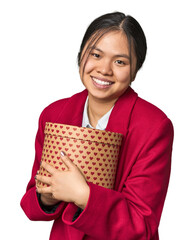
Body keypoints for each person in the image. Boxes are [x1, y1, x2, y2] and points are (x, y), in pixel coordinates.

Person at [20, 12, 174, 240]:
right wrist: (47, 197)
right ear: (81, 55)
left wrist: (83, 195)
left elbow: (143, 226)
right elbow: (31, 204)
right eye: (96, 54)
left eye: (120, 61)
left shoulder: (154, 126)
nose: (104, 69)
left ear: (135, 70)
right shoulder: (54, 115)